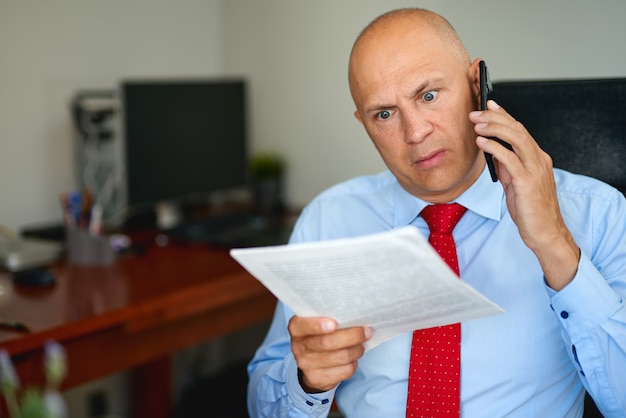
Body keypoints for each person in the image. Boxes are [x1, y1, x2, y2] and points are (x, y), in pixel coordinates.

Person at [247, 7, 626, 417]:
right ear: (364, 123)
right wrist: (307, 380)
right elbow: (263, 404)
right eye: (384, 114)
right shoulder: (330, 220)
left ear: (475, 83)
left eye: (428, 95)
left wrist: (555, 245)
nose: (415, 133)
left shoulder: (595, 212)